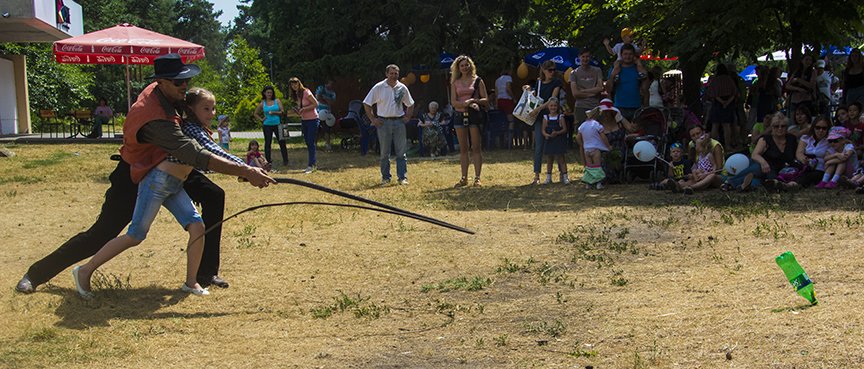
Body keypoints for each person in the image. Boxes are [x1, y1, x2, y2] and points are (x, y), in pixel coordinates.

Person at [15, 53, 274, 294]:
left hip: (170, 167)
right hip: (136, 172)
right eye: (177, 82)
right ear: (161, 82)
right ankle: (36, 274)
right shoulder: (153, 117)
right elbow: (194, 153)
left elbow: (199, 143)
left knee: (213, 195)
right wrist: (244, 170)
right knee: (103, 234)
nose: (184, 86)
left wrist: (243, 169)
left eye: (186, 80)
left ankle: (204, 274)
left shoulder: (166, 93)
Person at [72, 87, 234, 298]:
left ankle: (191, 282)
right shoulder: (192, 130)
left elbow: (208, 160)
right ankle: (84, 271)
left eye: (213, 109)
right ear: (191, 110)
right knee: (136, 235)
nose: (212, 113)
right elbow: (213, 154)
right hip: (157, 184)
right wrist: (248, 170)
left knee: (197, 226)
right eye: (206, 108)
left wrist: (248, 170)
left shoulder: (198, 129)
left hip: (175, 185)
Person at [363, 64, 415, 186]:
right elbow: (367, 103)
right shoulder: (379, 87)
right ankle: (386, 178)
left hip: (399, 122)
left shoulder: (402, 88)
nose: (394, 76)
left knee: (401, 152)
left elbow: (410, 103)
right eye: (391, 73)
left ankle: (402, 177)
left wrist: (407, 116)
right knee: (384, 153)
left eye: (396, 73)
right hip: (383, 122)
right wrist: (373, 119)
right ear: (386, 74)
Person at [449, 55, 487, 187]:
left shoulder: (478, 80)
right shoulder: (455, 82)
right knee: (463, 148)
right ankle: (464, 177)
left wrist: (473, 101)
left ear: (471, 65)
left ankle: (477, 178)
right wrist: (464, 105)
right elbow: (453, 102)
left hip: (474, 116)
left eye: (467, 64)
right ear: (458, 68)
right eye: (462, 65)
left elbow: (485, 100)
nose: (465, 67)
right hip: (460, 116)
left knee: (476, 147)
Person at [528, 60, 564, 184]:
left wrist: (538, 109)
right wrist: (527, 89)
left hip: (554, 117)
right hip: (540, 118)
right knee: (539, 147)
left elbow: (552, 99)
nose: (552, 72)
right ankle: (537, 176)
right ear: (543, 70)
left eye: (554, 70)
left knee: (557, 147)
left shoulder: (557, 82)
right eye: (550, 70)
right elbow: (533, 95)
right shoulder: (538, 83)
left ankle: (562, 174)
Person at [570, 48, 605, 147]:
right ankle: (584, 159)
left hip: (595, 107)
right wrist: (592, 92)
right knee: (580, 136)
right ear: (579, 58)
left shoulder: (597, 70)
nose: (585, 59)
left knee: (597, 134)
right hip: (580, 107)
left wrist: (583, 91)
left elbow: (600, 88)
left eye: (587, 56)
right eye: (583, 57)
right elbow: (575, 94)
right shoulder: (574, 73)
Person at [787, 116, 831, 188]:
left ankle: (791, 185)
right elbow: (799, 153)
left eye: (824, 128)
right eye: (818, 127)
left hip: (820, 169)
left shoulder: (830, 141)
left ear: (828, 129)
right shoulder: (806, 138)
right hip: (804, 165)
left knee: (810, 176)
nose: (820, 130)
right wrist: (804, 159)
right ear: (813, 127)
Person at [576, 105, 613, 189]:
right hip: (595, 149)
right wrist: (608, 146)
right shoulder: (596, 124)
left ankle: (588, 183)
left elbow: (578, 137)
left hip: (587, 149)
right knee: (597, 166)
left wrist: (582, 144)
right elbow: (603, 137)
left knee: (589, 166)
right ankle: (598, 183)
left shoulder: (583, 125)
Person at [289, 77, 320, 174]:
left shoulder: (306, 92)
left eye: (296, 84)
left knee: (311, 142)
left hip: (313, 119)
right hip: (304, 120)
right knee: (307, 142)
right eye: (292, 85)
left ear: (299, 83)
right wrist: (297, 111)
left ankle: (311, 165)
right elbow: (300, 109)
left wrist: (304, 109)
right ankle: (311, 164)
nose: (294, 86)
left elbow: (316, 104)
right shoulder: (296, 95)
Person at [705, 64, 740, 149]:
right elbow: (734, 92)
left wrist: (721, 101)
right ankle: (728, 145)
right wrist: (727, 102)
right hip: (728, 103)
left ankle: (713, 146)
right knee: (726, 125)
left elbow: (712, 93)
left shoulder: (715, 80)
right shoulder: (729, 79)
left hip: (717, 104)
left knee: (715, 125)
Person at [253, 85, 289, 167]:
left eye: (271, 92)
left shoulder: (277, 101)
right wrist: (261, 119)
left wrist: (274, 112)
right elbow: (255, 113)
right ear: (264, 93)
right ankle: (268, 161)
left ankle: (285, 160)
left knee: (282, 143)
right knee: (268, 143)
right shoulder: (263, 103)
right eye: (268, 92)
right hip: (267, 125)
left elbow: (282, 112)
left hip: (278, 124)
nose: (269, 94)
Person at [606, 44, 643, 121]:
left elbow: (645, 89)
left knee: (635, 131)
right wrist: (613, 75)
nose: (628, 56)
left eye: (630, 54)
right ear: (621, 55)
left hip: (636, 106)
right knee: (620, 132)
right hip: (619, 106)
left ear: (633, 55)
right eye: (625, 54)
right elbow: (608, 89)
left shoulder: (638, 68)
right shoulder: (615, 68)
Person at [540, 97, 569, 184]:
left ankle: (565, 177)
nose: (553, 107)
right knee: (549, 159)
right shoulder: (546, 117)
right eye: (551, 106)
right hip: (549, 140)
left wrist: (557, 132)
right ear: (548, 106)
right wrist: (547, 135)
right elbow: (543, 130)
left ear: (558, 106)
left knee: (561, 158)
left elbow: (564, 129)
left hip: (558, 140)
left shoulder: (561, 117)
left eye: (555, 106)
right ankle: (548, 177)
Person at [494, 69, 518, 147]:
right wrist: (513, 97)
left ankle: (502, 141)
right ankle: (509, 141)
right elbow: (508, 89)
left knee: (502, 120)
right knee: (511, 120)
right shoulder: (508, 78)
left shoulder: (497, 80)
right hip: (507, 100)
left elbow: (496, 93)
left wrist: (496, 103)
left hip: (500, 100)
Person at [315, 80, 337, 151]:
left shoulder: (333, 93)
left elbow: (332, 102)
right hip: (318, 112)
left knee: (327, 129)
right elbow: (318, 98)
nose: (331, 85)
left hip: (327, 113)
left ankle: (327, 144)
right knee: (316, 129)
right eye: (329, 83)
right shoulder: (321, 88)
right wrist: (326, 100)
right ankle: (314, 144)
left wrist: (324, 98)